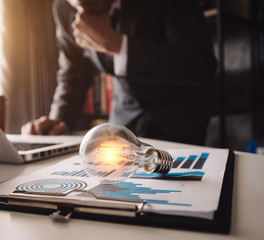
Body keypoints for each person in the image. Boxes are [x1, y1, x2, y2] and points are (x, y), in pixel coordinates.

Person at [22, 0, 217, 145]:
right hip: (120, 125)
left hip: (179, 121)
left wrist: (117, 44)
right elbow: (72, 74)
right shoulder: (63, 7)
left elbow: (200, 62)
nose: (80, 7)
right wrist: (58, 121)